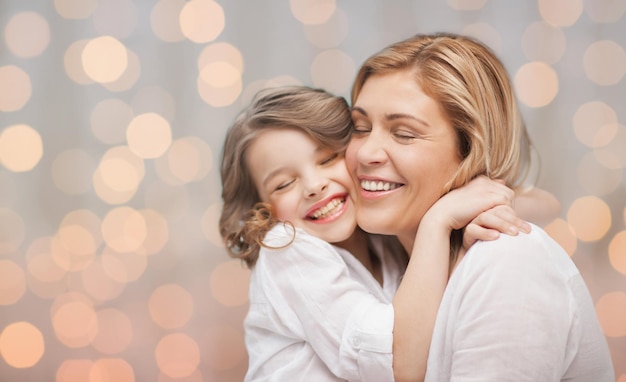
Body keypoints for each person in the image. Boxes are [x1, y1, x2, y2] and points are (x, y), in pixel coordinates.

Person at [219, 86, 558, 381]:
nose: (314, 185)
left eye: (328, 159)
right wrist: (438, 220)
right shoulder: (286, 248)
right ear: (262, 213)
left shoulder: (380, 235)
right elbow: (398, 366)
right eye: (284, 184)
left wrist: (474, 202)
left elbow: (544, 204)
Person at [346, 32, 614, 381]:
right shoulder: (381, 259)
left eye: (404, 133)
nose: (366, 153)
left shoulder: (506, 263)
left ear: (470, 149)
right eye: (359, 128)